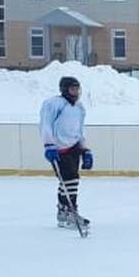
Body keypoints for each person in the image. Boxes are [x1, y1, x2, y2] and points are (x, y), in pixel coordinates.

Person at [40, 75, 93, 232]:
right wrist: (49, 145)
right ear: (64, 90)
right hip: (57, 148)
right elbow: (45, 125)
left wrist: (85, 150)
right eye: (72, 88)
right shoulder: (53, 104)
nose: (76, 92)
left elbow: (79, 131)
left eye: (77, 89)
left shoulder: (79, 108)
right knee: (68, 179)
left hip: (73, 147)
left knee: (72, 180)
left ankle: (66, 211)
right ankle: (67, 212)